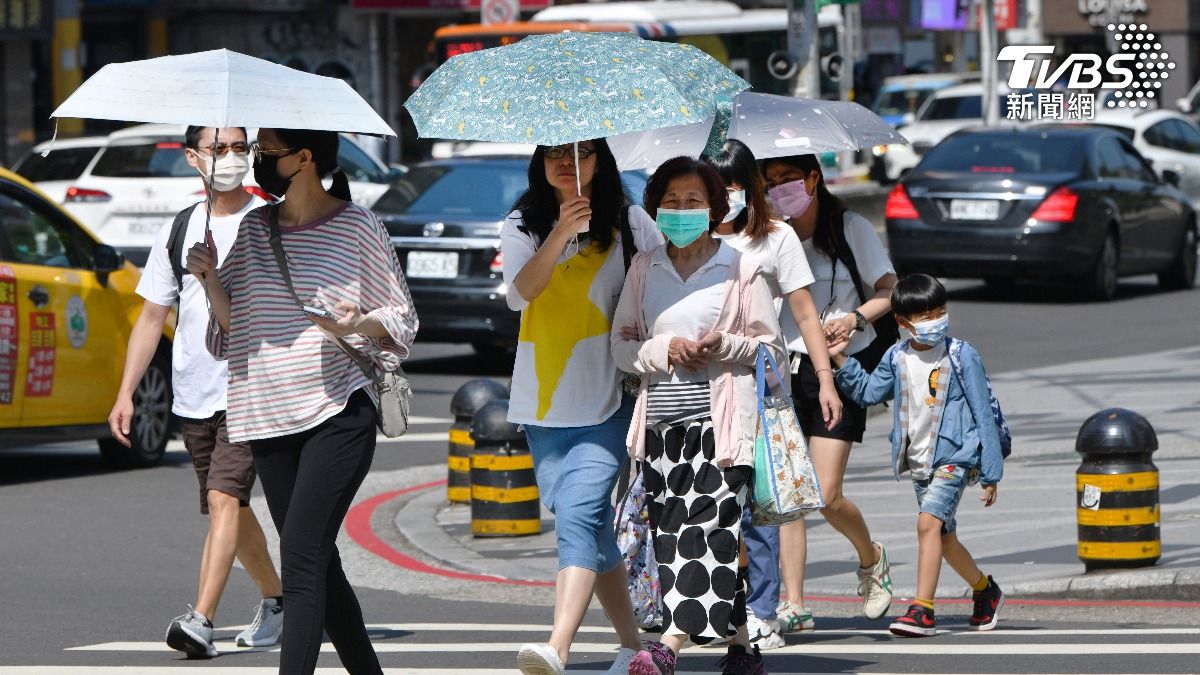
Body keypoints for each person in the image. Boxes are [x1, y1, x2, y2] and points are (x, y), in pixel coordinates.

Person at [189, 128, 417, 675]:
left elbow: (402, 319)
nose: (254, 161)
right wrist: (209, 279)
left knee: (300, 556)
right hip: (266, 415)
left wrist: (355, 321)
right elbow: (230, 333)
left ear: (305, 158)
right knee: (316, 558)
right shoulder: (253, 229)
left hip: (337, 410)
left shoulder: (357, 224)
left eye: (264, 153)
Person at [108, 125, 283, 659]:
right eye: (217, 149)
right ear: (192, 158)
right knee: (227, 505)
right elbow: (152, 316)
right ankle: (280, 601)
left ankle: (200, 620)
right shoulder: (181, 228)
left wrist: (214, 279)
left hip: (252, 385)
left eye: (238, 148)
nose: (229, 158)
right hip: (193, 389)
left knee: (225, 496)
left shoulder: (268, 221)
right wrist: (126, 392)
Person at [613, 156, 785, 675]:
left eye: (693, 201)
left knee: (707, 533)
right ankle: (740, 650)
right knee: (674, 540)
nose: (681, 210)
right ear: (655, 207)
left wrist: (726, 344)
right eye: (671, 201)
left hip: (723, 431)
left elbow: (773, 352)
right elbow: (621, 345)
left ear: (714, 208)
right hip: (661, 433)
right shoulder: (646, 267)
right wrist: (661, 349)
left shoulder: (739, 267)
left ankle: (666, 648)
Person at [502, 139, 661, 675]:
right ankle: (633, 646)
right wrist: (561, 234)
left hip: (611, 395)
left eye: (582, 155)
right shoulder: (523, 223)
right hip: (543, 399)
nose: (567, 167)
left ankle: (558, 647)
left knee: (577, 513)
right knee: (588, 527)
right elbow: (521, 293)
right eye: (555, 157)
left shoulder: (630, 221)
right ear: (539, 163)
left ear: (601, 161)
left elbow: (661, 284)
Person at [705, 140, 841, 650]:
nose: (721, 200)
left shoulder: (775, 238)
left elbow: (804, 313)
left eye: (731, 188)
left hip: (760, 388)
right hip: (701, 386)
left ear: (750, 188)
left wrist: (825, 379)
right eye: (712, 190)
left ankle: (762, 612)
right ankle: (711, 605)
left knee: (758, 507)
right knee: (710, 505)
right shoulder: (685, 236)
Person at [760, 154, 898, 628]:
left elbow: (889, 289)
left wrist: (856, 318)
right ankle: (794, 604)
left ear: (814, 178)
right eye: (770, 183)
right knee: (788, 491)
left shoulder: (848, 227)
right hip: (783, 369)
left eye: (789, 180)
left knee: (823, 491)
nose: (780, 191)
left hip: (841, 369)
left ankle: (871, 556)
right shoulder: (769, 234)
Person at [832, 274, 1005, 637]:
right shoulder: (896, 357)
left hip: (956, 456)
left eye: (939, 311)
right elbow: (867, 392)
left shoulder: (961, 355)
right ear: (902, 322)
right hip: (919, 463)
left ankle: (922, 610)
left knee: (927, 525)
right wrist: (840, 358)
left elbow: (983, 411)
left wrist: (990, 472)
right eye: (924, 315)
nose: (934, 320)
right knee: (943, 538)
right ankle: (985, 591)